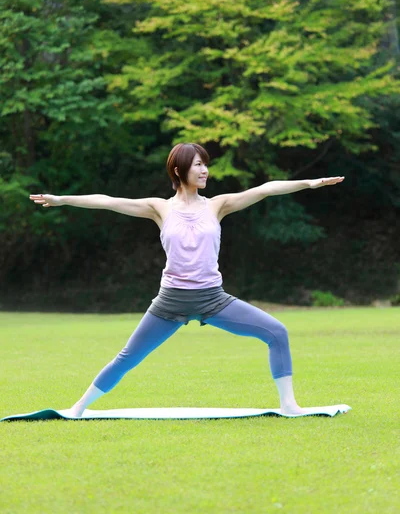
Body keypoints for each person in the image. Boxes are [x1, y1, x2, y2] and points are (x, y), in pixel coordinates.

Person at [29, 142, 344, 418]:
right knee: (127, 358)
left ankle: (289, 405)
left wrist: (310, 183)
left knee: (277, 332)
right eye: (198, 165)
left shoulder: (218, 205)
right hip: (170, 302)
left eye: (205, 164)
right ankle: (78, 408)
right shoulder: (159, 208)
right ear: (179, 170)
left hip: (214, 299)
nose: (205, 170)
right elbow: (108, 200)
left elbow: (264, 189)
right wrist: (63, 199)